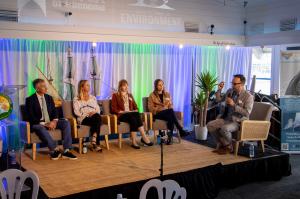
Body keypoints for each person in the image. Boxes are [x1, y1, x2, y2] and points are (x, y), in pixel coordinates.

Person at [25, 79, 77, 160]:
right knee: (40, 127)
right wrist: (45, 124)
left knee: (66, 123)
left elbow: (54, 112)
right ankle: (54, 149)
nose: (46, 88)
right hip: (38, 124)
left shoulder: (49, 98)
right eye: (43, 86)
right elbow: (30, 117)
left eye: (46, 86)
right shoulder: (30, 100)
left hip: (50, 121)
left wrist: (54, 121)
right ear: (37, 88)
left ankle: (66, 150)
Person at [207, 74, 254, 154]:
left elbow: (247, 113)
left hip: (237, 121)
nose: (232, 85)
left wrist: (234, 105)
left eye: (234, 84)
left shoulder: (248, 96)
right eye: (232, 83)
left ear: (242, 84)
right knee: (210, 125)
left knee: (224, 128)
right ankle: (226, 145)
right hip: (225, 118)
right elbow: (219, 100)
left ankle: (227, 147)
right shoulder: (230, 91)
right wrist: (219, 90)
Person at [111, 79, 153, 149]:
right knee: (135, 115)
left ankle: (134, 141)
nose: (126, 87)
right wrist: (122, 111)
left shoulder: (130, 95)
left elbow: (136, 106)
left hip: (131, 115)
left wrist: (135, 110)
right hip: (122, 115)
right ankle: (144, 137)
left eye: (127, 85)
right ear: (120, 87)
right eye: (125, 85)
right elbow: (113, 108)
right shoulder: (115, 95)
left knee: (134, 116)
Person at [148, 79, 189, 145]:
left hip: (167, 113)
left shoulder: (167, 94)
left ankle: (169, 139)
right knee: (170, 112)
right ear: (156, 86)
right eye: (159, 85)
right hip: (157, 114)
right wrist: (161, 108)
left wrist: (169, 105)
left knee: (170, 116)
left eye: (162, 84)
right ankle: (180, 130)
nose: (161, 86)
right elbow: (150, 108)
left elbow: (171, 105)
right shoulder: (152, 95)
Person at [73, 80, 103, 152]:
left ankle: (93, 140)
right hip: (83, 118)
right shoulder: (76, 99)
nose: (89, 86)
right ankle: (95, 143)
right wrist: (87, 114)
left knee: (97, 117)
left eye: (89, 85)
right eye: (87, 85)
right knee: (98, 119)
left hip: (94, 117)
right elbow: (76, 112)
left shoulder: (93, 98)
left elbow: (98, 109)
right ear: (82, 87)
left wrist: (94, 112)